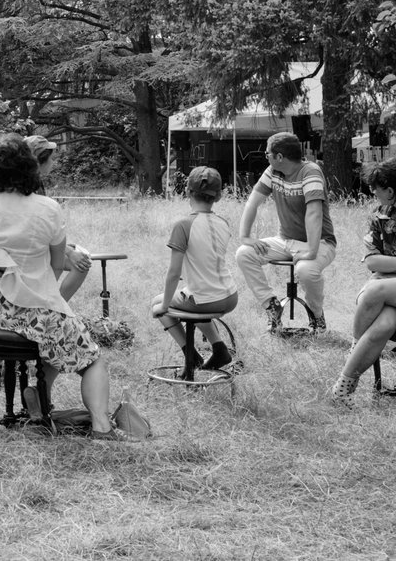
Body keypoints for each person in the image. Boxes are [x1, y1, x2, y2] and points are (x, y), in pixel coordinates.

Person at [0, 133, 136, 441]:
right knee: (93, 358)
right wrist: (45, 294)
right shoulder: (48, 208)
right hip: (37, 313)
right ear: (30, 166)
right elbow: (58, 264)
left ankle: (37, 395)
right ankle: (101, 426)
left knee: (55, 335)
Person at [236, 131, 336, 332]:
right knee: (244, 254)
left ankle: (316, 315)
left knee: (305, 270)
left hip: (320, 242)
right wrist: (245, 237)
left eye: (268, 154)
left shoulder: (311, 171)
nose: (267, 157)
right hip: (285, 241)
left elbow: (314, 213)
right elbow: (253, 202)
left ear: (279, 157)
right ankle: (272, 306)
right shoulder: (272, 171)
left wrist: (312, 251)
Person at [150, 166, 238, 377]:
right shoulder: (223, 223)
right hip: (230, 295)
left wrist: (163, 305)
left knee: (157, 304)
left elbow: (173, 273)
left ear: (188, 192)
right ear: (217, 196)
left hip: (206, 299)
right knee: (191, 295)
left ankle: (191, 356)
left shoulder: (183, 225)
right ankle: (219, 349)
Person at [330, 158, 396, 406]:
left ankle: (353, 351)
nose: (373, 193)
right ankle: (342, 390)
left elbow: (379, 265)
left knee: (374, 290)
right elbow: (372, 262)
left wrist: (386, 267)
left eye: (375, 189)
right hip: (388, 289)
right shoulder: (379, 215)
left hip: (382, 287)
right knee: (384, 324)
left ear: (389, 190)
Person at [25, 135, 92, 300]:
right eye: (51, 158)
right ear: (41, 160)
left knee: (78, 261)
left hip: (35, 245)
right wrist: (67, 251)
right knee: (80, 264)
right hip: (29, 250)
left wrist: (63, 247)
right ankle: (55, 309)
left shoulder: (34, 181)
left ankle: (54, 308)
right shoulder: (28, 186)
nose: (53, 162)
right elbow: (36, 226)